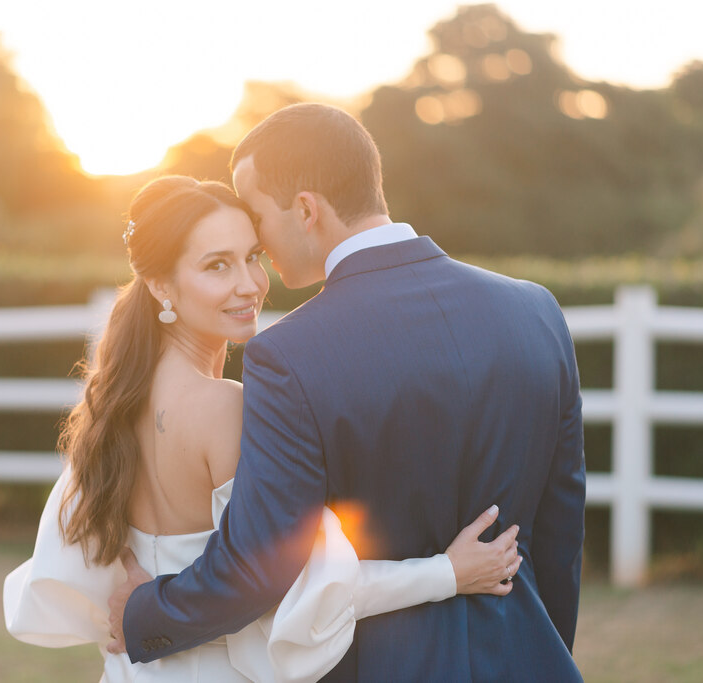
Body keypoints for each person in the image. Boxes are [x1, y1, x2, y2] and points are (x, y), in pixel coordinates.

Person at [109, 104, 586, 681]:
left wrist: (146, 615)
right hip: (527, 658)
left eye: (257, 218)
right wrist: (544, 650)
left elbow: (262, 565)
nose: (256, 239)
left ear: (306, 210)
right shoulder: (536, 311)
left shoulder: (289, 355)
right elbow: (560, 532)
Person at [4, 176, 524, 682]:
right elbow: (301, 584)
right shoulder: (224, 407)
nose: (249, 284)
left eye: (252, 256)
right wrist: (447, 573)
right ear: (161, 284)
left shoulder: (114, 400)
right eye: (216, 265)